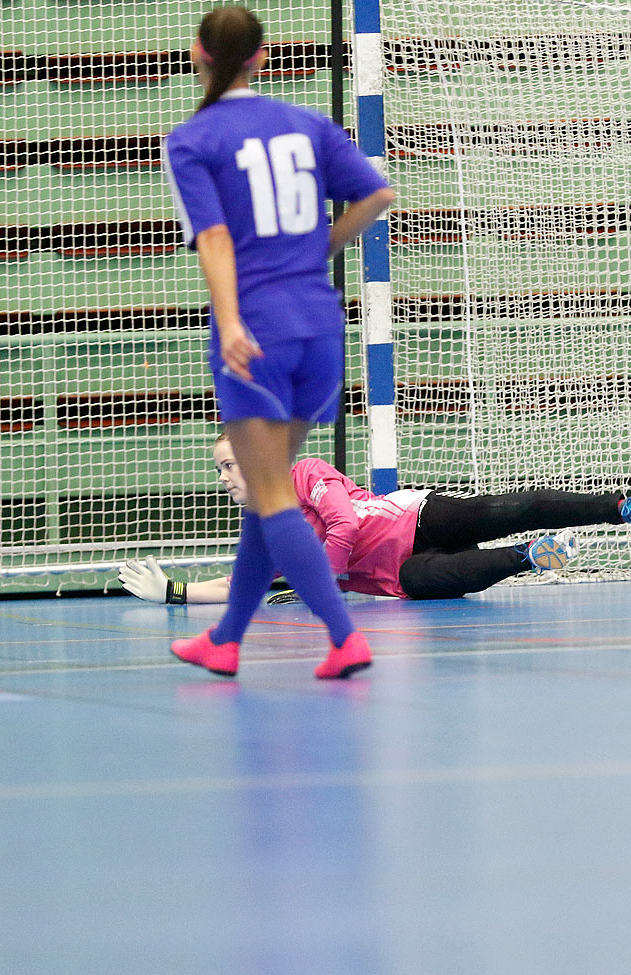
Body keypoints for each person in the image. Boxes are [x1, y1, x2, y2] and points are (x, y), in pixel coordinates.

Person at [161, 6, 396, 679]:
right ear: (262, 57)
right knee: (268, 492)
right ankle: (227, 637)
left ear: (199, 54)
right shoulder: (307, 123)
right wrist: (320, 247)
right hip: (319, 325)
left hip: (258, 330)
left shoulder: (193, 139)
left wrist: (230, 321)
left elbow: (213, 239)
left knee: (272, 497)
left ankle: (345, 636)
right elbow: (377, 195)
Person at [120, 436, 631, 605]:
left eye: (229, 465)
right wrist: (176, 592)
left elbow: (345, 528)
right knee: (436, 583)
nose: (224, 478)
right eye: (220, 469)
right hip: (389, 575)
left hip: (415, 519)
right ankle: (531, 556)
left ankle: (621, 508)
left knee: (507, 510)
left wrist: (321, 579)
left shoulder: (303, 473)